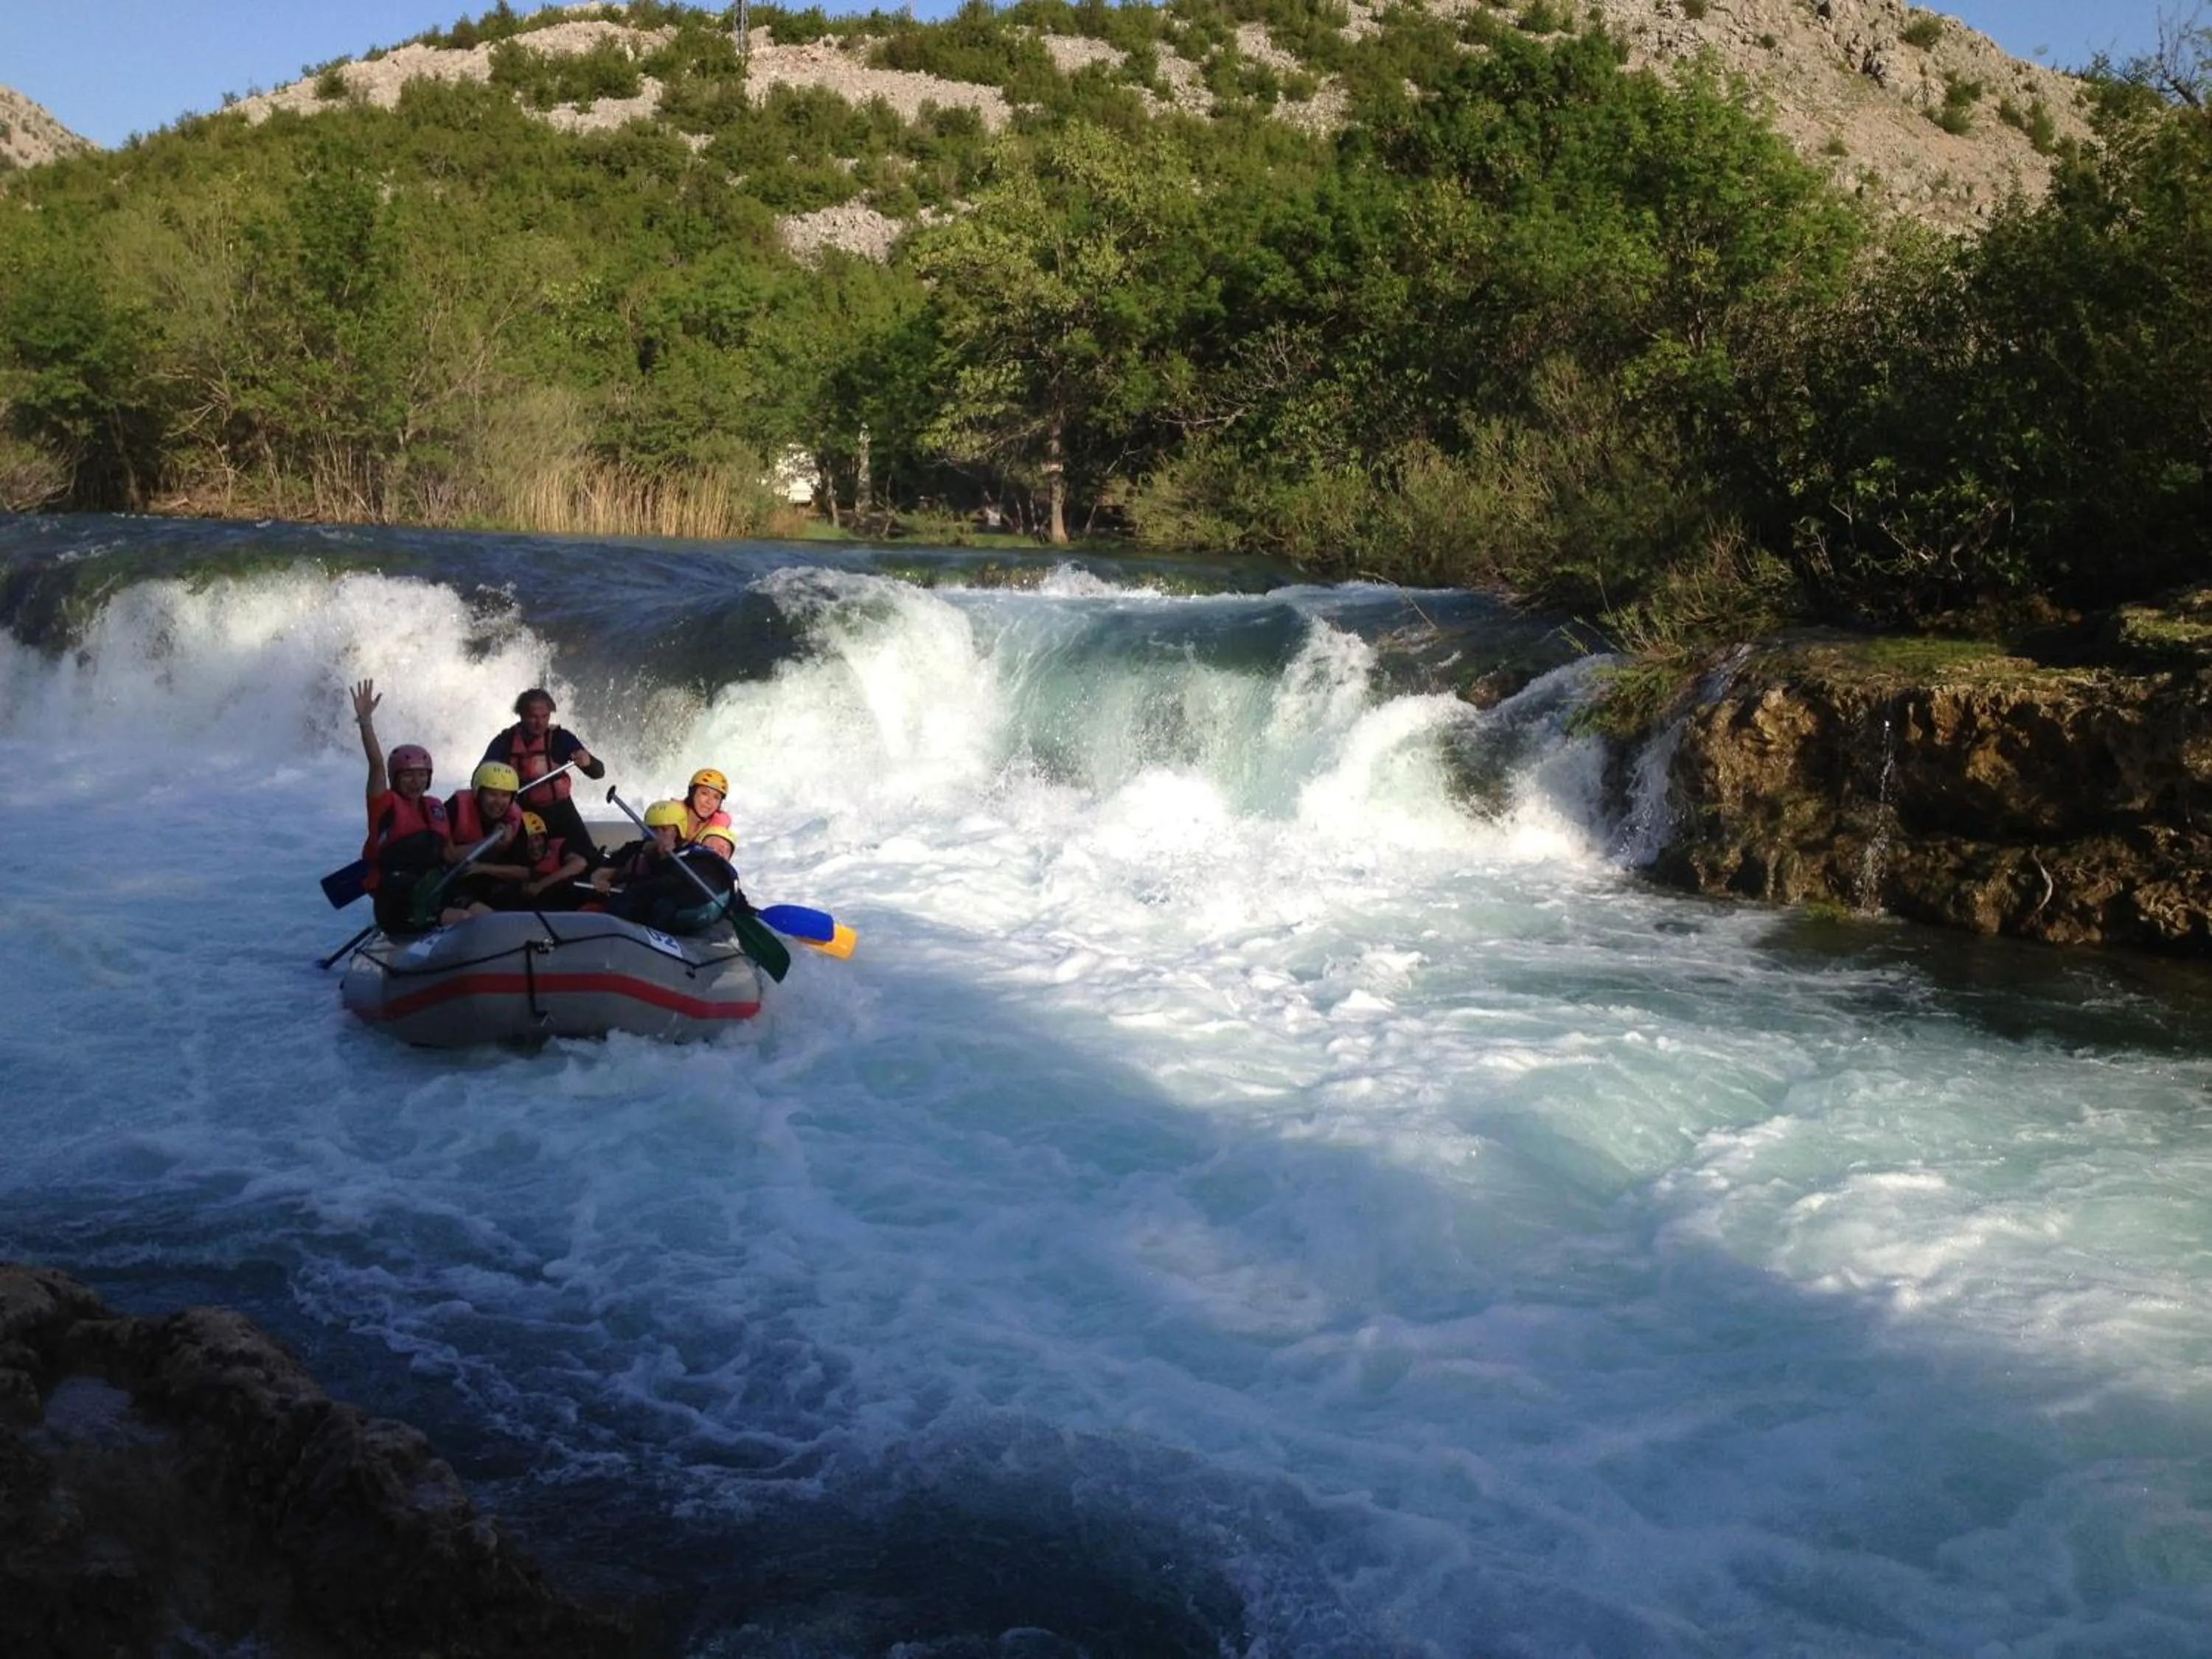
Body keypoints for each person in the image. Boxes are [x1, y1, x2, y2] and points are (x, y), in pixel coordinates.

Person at [351, 678, 450, 935]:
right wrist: (365, 721)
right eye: (408, 775)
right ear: (395, 778)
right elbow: (376, 764)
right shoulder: (384, 805)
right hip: (396, 902)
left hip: (430, 895)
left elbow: (450, 854)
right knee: (463, 918)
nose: (416, 782)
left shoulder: (435, 809)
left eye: (422, 775)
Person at [482, 689, 604, 858]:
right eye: (533, 717)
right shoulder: (505, 742)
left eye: (545, 716)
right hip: (523, 812)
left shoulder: (561, 739)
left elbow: (599, 772)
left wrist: (588, 761)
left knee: (589, 858)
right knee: (521, 860)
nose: (540, 723)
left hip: (560, 811)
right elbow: (480, 778)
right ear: (521, 715)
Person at [595, 804, 748, 934]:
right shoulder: (634, 848)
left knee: (655, 903)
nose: (658, 834)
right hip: (634, 900)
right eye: (653, 829)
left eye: (665, 829)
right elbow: (601, 873)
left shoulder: (689, 854)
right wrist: (602, 880)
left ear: (678, 831)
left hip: (690, 904)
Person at [434, 761, 529, 921]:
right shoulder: (456, 807)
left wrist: (483, 868)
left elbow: (525, 872)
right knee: (484, 915)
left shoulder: (515, 819)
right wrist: (489, 842)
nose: (498, 802)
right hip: (455, 883)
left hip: (489, 882)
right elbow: (447, 855)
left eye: (505, 796)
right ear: (478, 793)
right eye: (492, 794)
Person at [484, 811, 591, 913]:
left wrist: (541, 885)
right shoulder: (517, 861)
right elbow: (520, 872)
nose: (535, 846)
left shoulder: (559, 847)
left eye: (537, 839)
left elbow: (580, 863)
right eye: (529, 842)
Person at [680, 766, 734, 849]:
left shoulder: (718, 822)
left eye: (716, 797)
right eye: (704, 793)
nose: (709, 802)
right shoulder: (674, 812)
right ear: (692, 793)